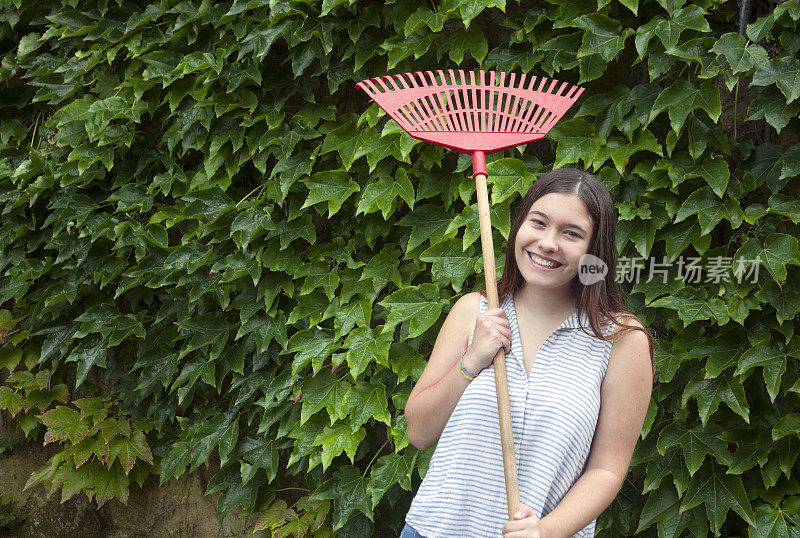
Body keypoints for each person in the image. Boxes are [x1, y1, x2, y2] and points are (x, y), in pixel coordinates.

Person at [399, 168, 655, 537]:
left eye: (572, 233)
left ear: (593, 252)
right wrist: (472, 360)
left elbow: (607, 470)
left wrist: (544, 532)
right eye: (539, 222)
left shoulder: (621, 340)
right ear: (519, 226)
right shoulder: (475, 311)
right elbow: (418, 431)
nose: (548, 243)